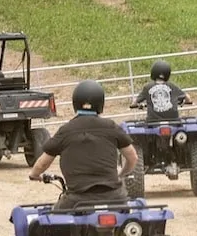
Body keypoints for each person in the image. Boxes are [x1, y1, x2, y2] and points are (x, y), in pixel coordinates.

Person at [29, 80, 138, 210]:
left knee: (53, 222)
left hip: (78, 199)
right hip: (114, 197)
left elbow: (43, 163)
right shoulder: (111, 127)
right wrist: (122, 174)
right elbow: (133, 158)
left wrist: (34, 175)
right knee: (125, 223)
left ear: (75, 103)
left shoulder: (66, 130)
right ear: (101, 103)